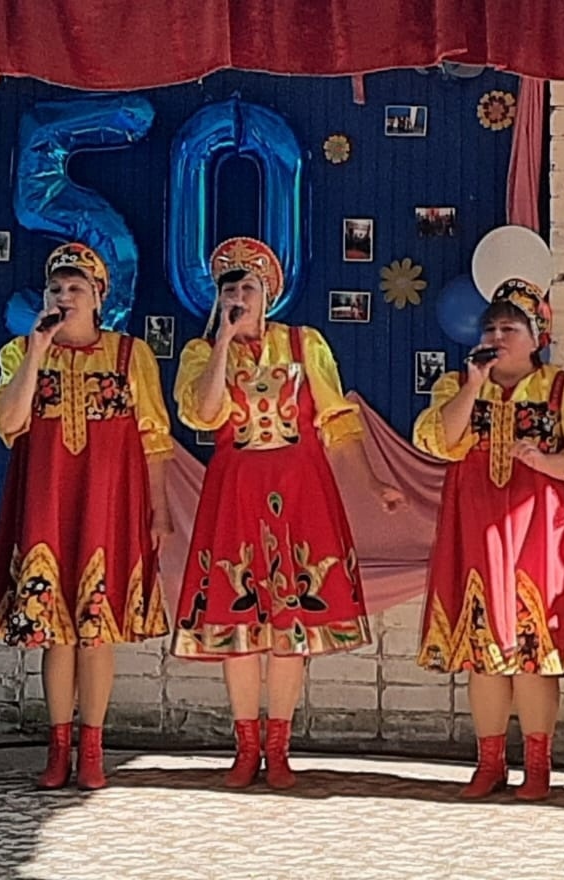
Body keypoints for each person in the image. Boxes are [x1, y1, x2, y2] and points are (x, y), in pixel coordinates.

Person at [171, 237, 404, 789]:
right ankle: (244, 745)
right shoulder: (201, 354)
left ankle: (278, 746)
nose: (239, 295)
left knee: (289, 624)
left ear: (268, 295)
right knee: (236, 621)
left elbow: (337, 422)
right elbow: (203, 414)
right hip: (237, 492)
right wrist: (222, 340)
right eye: (230, 288)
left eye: (248, 287)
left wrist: (373, 483)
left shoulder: (304, 343)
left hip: (299, 491)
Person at [415, 279, 564, 802]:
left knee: (534, 648)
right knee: (482, 647)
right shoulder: (458, 385)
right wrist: (473, 385)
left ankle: (538, 764)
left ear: (537, 337)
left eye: (510, 327)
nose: (497, 336)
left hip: (541, 528)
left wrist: (546, 462)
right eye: (490, 327)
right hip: (476, 525)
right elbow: (441, 441)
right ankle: (489, 763)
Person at [0, 242, 174, 790]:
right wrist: (38, 351)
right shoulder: (21, 353)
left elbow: (155, 439)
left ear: (98, 297)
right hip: (46, 502)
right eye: (56, 289)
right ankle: (57, 746)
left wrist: (159, 509)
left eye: (76, 289)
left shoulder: (129, 354)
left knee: (95, 630)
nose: (65, 297)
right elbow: (9, 422)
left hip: (106, 504)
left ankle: (92, 748)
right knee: (55, 632)